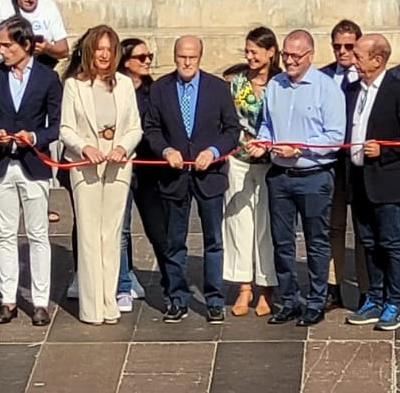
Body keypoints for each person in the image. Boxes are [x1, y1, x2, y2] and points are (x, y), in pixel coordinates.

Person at [143, 35, 238, 324]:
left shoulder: (218, 88)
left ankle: (213, 299)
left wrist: (213, 151)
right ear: (175, 57)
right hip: (173, 177)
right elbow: (151, 129)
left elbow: (231, 129)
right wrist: (166, 149)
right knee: (174, 241)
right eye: (182, 57)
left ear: (200, 57)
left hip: (208, 175)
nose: (187, 62)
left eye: (192, 57)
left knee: (213, 241)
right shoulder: (160, 89)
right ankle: (177, 298)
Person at [0, 15, 63, 326]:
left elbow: (56, 124)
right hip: (1, 163)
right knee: (4, 234)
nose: (2, 50)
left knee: (38, 234)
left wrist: (35, 137)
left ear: (25, 44)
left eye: (7, 45)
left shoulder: (48, 78)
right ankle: (8, 299)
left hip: (33, 164)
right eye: (0, 44)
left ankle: (40, 301)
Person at [258, 30, 346, 327]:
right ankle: (289, 299)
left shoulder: (327, 88)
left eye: (296, 56)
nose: (290, 61)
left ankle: (316, 300)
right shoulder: (275, 85)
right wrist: (262, 140)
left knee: (316, 241)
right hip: (280, 176)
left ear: (310, 55)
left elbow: (335, 137)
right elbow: (267, 125)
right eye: (286, 55)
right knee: (282, 242)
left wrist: (301, 148)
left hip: (314, 175)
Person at [340, 35, 400, 332]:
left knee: (392, 243)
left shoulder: (398, 91)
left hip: (387, 182)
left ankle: (395, 301)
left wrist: (386, 150)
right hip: (359, 180)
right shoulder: (353, 90)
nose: (353, 59)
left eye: (359, 55)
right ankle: (374, 298)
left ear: (377, 60)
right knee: (368, 243)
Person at [58, 25, 142, 325]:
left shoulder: (123, 84)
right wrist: (85, 148)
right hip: (86, 165)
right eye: (99, 49)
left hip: (118, 164)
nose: (104, 55)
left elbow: (135, 126)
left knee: (112, 234)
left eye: (109, 49)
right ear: (90, 51)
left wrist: (122, 146)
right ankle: (91, 305)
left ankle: (110, 300)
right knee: (90, 234)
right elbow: (66, 128)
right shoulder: (74, 86)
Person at [225, 28, 279, 317]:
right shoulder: (236, 82)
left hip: (271, 163)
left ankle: (266, 287)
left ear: (270, 52)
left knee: (266, 225)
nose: (249, 57)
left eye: (254, 52)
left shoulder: (281, 83)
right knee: (238, 221)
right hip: (239, 159)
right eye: (246, 51)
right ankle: (243, 285)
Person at [317, 19, 366, 309]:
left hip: (358, 163)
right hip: (331, 163)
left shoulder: (366, 78)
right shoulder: (322, 77)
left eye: (349, 46)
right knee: (333, 228)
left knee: (362, 230)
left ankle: (365, 289)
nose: (343, 52)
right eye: (337, 46)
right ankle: (332, 287)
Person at [118, 38, 155, 313]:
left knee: (157, 228)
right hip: (122, 166)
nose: (147, 61)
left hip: (150, 167)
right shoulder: (116, 89)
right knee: (122, 228)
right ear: (126, 60)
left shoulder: (154, 91)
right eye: (141, 57)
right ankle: (123, 281)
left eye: (149, 56)